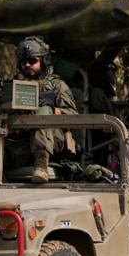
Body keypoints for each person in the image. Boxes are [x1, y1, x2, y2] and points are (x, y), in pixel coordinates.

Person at [11, 36, 78, 183]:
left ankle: (41, 163)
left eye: (32, 61)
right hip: (22, 138)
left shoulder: (57, 84)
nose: (27, 65)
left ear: (44, 61)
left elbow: (73, 115)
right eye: (24, 62)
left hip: (52, 138)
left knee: (43, 112)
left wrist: (53, 110)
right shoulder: (15, 85)